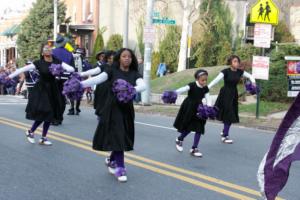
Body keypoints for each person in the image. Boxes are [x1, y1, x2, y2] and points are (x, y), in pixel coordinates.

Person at [80, 48, 146, 182]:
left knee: (121, 137)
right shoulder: (111, 71)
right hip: (112, 109)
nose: (127, 58)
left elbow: (143, 85)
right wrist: (80, 84)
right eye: (124, 56)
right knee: (118, 136)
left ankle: (111, 160)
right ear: (119, 58)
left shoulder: (134, 74)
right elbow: (98, 79)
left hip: (126, 110)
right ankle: (120, 168)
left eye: (129, 57)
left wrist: (131, 89)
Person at [7, 43, 74, 145]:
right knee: (45, 112)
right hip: (41, 90)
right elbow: (22, 69)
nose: (48, 49)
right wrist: (9, 76)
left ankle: (43, 137)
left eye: (49, 48)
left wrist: (59, 69)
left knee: (50, 113)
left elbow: (71, 69)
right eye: (45, 49)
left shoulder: (57, 61)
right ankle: (31, 131)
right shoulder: (38, 63)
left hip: (53, 89)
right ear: (42, 53)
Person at [208, 55, 256, 144]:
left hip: (234, 94)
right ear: (230, 63)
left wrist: (253, 84)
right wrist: (207, 87)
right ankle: (225, 135)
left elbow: (250, 76)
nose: (237, 63)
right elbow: (216, 80)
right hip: (225, 94)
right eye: (234, 61)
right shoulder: (225, 72)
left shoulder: (240, 72)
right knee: (228, 113)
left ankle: (224, 132)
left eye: (237, 61)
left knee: (231, 113)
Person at [173, 69, 211, 157]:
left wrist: (209, 108)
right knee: (189, 127)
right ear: (197, 79)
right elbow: (183, 89)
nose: (204, 82)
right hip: (189, 107)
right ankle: (180, 139)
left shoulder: (205, 88)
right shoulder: (192, 85)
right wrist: (174, 92)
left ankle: (194, 148)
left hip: (200, 109)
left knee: (199, 128)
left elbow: (208, 98)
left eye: (206, 80)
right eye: (203, 80)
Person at [52, 35, 75, 122]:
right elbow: (73, 68)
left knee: (54, 98)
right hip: (66, 78)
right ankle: (60, 117)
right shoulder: (69, 53)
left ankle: (55, 117)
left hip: (54, 77)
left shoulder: (52, 52)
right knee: (62, 98)